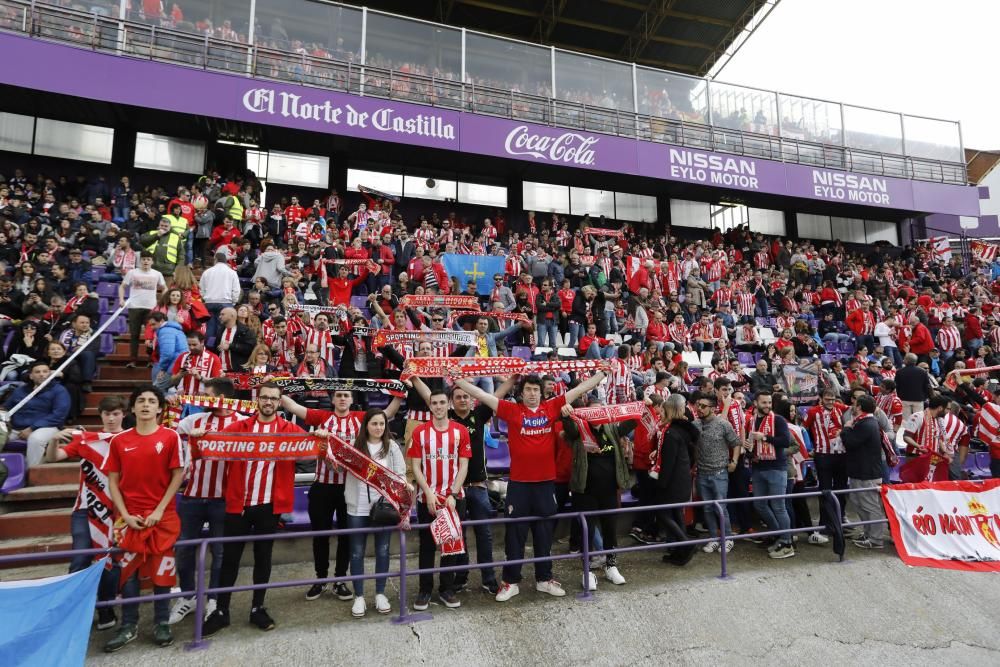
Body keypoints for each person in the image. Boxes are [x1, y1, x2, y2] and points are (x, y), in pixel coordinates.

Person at [453, 367, 608, 602]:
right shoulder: (512, 410)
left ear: (541, 393)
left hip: (546, 484)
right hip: (519, 485)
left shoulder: (551, 407)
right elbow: (484, 396)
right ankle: (510, 581)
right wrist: (458, 380)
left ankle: (544, 579)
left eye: (536, 390)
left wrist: (601, 375)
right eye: (528, 389)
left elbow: (579, 389)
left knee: (544, 534)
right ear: (521, 392)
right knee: (515, 535)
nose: (533, 393)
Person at [201, 382, 306, 636]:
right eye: (264, 398)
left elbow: (312, 450)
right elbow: (212, 447)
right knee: (230, 559)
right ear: (256, 400)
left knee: (263, 558)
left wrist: (322, 439)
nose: (268, 402)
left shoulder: (289, 430)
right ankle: (221, 611)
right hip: (238, 503)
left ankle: (257, 607)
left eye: (273, 398)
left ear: (280, 402)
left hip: (269, 506)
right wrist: (200, 439)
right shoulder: (238, 428)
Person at [280, 390, 402, 604]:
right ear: (333, 399)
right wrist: (280, 388)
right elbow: (293, 407)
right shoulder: (322, 417)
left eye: (346, 395)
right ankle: (320, 579)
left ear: (352, 399)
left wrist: (400, 391)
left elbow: (387, 413)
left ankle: (340, 579)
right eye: (339, 395)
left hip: (349, 489)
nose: (343, 398)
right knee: (320, 535)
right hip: (323, 487)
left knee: (347, 538)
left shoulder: (360, 418)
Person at [410, 376, 516, 596]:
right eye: (457, 397)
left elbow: (496, 396)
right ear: (451, 401)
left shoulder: (479, 414)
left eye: (466, 396)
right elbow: (428, 395)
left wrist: (513, 380)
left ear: (471, 399)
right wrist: (413, 376)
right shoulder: (445, 416)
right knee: (458, 537)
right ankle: (459, 579)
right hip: (451, 490)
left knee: (484, 534)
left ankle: (488, 579)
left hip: (476, 486)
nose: (462, 400)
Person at [103, 385, 184, 652]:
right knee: (128, 575)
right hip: (128, 519)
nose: (146, 405)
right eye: (141, 401)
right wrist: (125, 514)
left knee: (162, 574)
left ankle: (162, 622)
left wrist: (159, 510)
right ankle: (128, 625)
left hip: (163, 518)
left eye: (152, 401)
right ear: (134, 407)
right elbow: (113, 481)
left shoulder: (171, 437)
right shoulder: (119, 440)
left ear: (160, 408)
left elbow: (177, 476)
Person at [45, 395, 127, 632]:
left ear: (123, 414)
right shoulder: (86, 441)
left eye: (115, 414)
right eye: (106, 414)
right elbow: (53, 457)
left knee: (111, 560)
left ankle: (105, 608)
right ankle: (72, 610)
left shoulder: (132, 439)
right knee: (81, 558)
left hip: (118, 510)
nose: (111, 419)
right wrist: (53, 440)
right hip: (84, 508)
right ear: (100, 415)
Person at [168, 378, 246, 625]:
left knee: (220, 551)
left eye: (206, 395)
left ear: (220, 398)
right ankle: (188, 596)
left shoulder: (242, 423)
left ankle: (214, 598)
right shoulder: (193, 421)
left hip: (224, 499)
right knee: (184, 549)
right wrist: (170, 405)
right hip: (192, 494)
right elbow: (169, 437)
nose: (201, 398)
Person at [334, 408, 407, 618]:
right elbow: (339, 468)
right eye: (374, 423)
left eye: (382, 424)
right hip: (357, 508)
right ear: (366, 425)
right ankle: (358, 596)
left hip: (383, 508)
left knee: (383, 550)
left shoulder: (391, 446)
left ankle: (380, 593)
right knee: (356, 552)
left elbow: (401, 474)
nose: (378, 428)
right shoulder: (355, 447)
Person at [407, 389, 471, 610]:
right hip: (428, 498)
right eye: (434, 403)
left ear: (449, 404)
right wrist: (428, 492)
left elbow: (464, 465)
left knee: (450, 546)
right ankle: (425, 590)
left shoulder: (461, 431)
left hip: (454, 498)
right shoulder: (420, 432)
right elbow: (415, 466)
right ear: (430, 406)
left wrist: (453, 493)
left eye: (442, 402)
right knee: (426, 546)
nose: (438, 406)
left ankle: (446, 589)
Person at [560, 400, 632, 589]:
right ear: (585, 414)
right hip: (585, 491)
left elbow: (631, 422)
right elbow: (569, 429)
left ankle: (611, 566)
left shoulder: (611, 429)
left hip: (609, 490)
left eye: (599, 412)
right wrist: (566, 415)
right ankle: (588, 571)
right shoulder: (579, 430)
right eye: (592, 412)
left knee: (610, 529)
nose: (596, 415)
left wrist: (644, 406)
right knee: (587, 532)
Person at [746, 392, 795, 559]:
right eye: (764, 402)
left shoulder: (778, 420)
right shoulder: (752, 421)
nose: (767, 405)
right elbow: (753, 445)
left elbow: (785, 441)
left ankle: (787, 542)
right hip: (758, 467)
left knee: (778, 506)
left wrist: (765, 437)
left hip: (776, 468)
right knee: (759, 505)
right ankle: (778, 534)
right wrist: (749, 449)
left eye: (769, 402)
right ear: (756, 403)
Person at [652, 394, 699, 566]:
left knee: (663, 513)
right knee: (676, 513)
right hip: (682, 478)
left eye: (662, 410)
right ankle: (681, 549)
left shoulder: (671, 432)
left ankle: (686, 544)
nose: (660, 413)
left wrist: (661, 484)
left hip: (673, 481)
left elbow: (669, 462)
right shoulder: (683, 429)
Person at [692, 393, 740, 554]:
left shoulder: (723, 424)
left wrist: (734, 461)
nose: (699, 409)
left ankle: (727, 539)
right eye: (698, 405)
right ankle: (713, 538)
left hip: (719, 472)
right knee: (707, 508)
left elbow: (736, 443)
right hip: (702, 472)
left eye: (703, 406)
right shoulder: (695, 424)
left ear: (713, 408)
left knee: (721, 508)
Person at [1, 361, 71, 467]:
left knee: (36, 439)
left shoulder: (59, 390)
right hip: (16, 428)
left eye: (45, 371)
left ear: (50, 374)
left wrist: (31, 428)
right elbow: (6, 408)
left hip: (46, 427)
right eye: (37, 372)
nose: (42, 374)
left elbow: (58, 415)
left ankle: (32, 470)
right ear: (31, 376)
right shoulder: (21, 390)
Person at [840, 395, 887, 549]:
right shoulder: (867, 422)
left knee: (870, 505)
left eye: (855, 403)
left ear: (859, 406)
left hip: (867, 472)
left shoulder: (866, 423)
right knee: (859, 502)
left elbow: (851, 442)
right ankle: (869, 533)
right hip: (860, 470)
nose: (852, 405)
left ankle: (876, 539)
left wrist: (846, 429)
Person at [803, 389, 850, 538]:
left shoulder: (841, 408)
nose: (830, 402)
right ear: (821, 398)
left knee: (841, 490)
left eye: (832, 399)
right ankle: (825, 525)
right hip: (823, 455)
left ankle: (840, 520)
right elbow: (803, 429)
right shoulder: (812, 412)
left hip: (841, 455)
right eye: (827, 399)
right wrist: (809, 448)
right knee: (825, 490)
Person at [120, 253, 166, 368]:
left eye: (148, 259)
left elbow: (165, 288)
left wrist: (162, 302)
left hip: (151, 308)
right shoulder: (132, 272)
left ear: (152, 261)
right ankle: (133, 360)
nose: (146, 261)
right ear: (140, 261)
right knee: (134, 335)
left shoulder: (157, 274)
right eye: (144, 259)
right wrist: (121, 299)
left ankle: (151, 359)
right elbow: (122, 286)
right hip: (134, 307)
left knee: (151, 336)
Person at [200, 252, 242, 342]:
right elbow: (236, 290)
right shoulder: (232, 272)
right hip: (225, 302)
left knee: (210, 327)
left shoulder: (207, 272)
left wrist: (206, 298)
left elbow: (201, 289)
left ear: (215, 259)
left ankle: (210, 347)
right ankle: (220, 348)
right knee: (223, 327)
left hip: (209, 302)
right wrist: (233, 302)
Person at [148, 311, 189, 391]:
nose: (152, 328)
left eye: (154, 324)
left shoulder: (165, 331)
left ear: (162, 321)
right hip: (182, 364)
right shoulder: (175, 329)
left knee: (156, 390)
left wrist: (163, 369)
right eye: (150, 325)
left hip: (176, 365)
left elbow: (167, 353)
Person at [213, 306, 256, 373]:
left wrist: (231, 346)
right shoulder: (220, 330)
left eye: (223, 314)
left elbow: (250, 349)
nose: (220, 317)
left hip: (238, 371)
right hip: (222, 371)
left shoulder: (246, 331)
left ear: (232, 316)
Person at [896, 353, 934, 421]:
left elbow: (897, 386)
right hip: (919, 399)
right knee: (918, 420)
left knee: (905, 420)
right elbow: (927, 386)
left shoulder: (899, 372)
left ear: (906, 360)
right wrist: (925, 396)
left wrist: (899, 396)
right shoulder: (923, 372)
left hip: (904, 399)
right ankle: (918, 432)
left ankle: (906, 431)